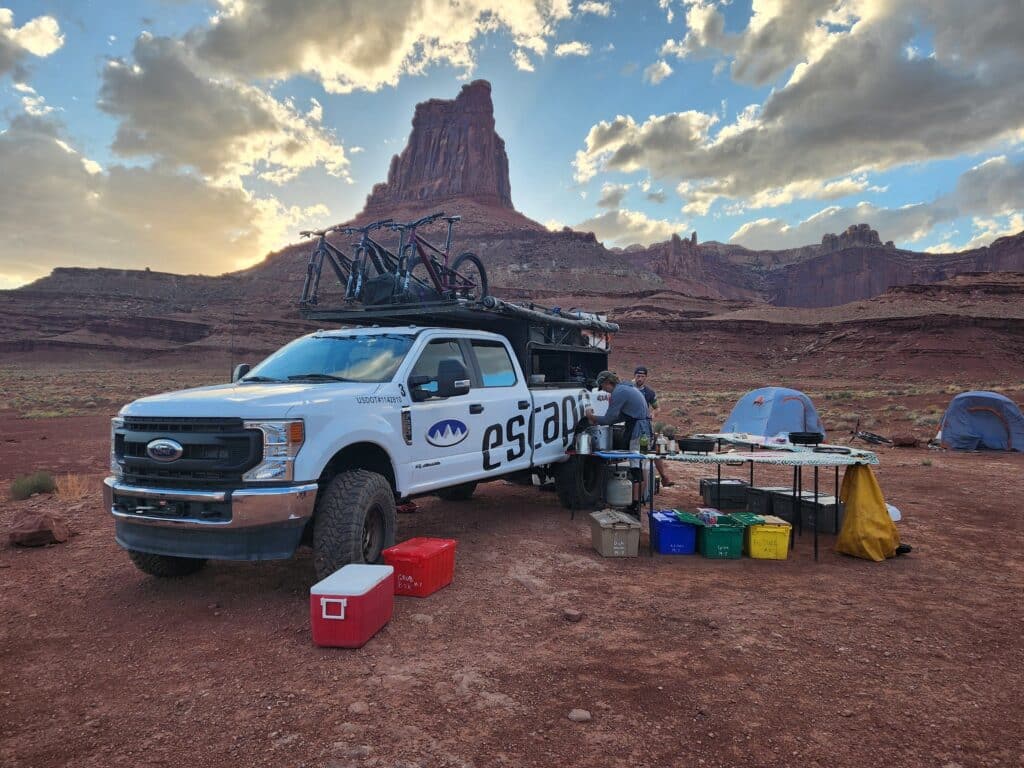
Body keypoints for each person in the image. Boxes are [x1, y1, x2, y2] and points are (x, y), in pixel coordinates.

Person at [587, 370, 652, 515]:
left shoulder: (619, 392)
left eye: (603, 387)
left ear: (606, 383)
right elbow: (619, 417)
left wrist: (592, 417)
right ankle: (637, 503)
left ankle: (635, 507)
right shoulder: (626, 388)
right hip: (643, 431)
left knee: (637, 467)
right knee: (641, 464)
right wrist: (598, 418)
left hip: (638, 432)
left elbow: (610, 418)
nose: (604, 391)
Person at [632, 365, 675, 488]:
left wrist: (653, 414)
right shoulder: (628, 388)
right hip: (629, 425)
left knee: (655, 448)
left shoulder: (649, 392)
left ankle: (664, 477)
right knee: (637, 452)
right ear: (634, 376)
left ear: (646, 378)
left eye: (642, 376)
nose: (639, 379)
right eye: (638, 376)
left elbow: (657, 408)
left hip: (644, 424)